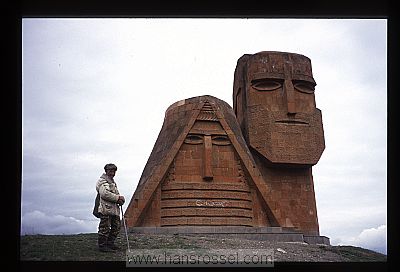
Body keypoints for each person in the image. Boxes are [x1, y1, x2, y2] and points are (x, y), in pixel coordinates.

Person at [95, 163, 125, 252]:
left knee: (116, 226)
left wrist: (120, 199)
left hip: (113, 209)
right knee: (105, 228)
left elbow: (114, 193)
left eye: (114, 171)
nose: (112, 173)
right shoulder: (103, 181)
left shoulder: (112, 182)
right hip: (106, 209)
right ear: (106, 171)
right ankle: (102, 246)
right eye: (110, 171)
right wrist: (118, 198)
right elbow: (105, 194)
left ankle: (110, 244)